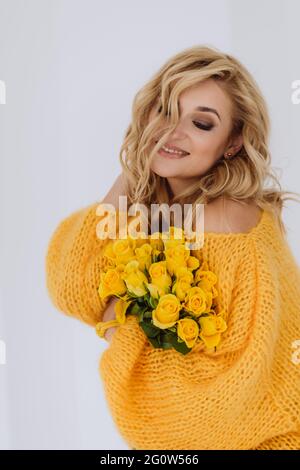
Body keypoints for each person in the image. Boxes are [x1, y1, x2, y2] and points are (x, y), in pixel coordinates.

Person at [45, 45, 300, 450]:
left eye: (201, 123)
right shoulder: (166, 209)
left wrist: (118, 320)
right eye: (164, 109)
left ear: (232, 143)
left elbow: (217, 404)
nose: (172, 132)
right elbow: (73, 284)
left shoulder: (225, 219)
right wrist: (135, 169)